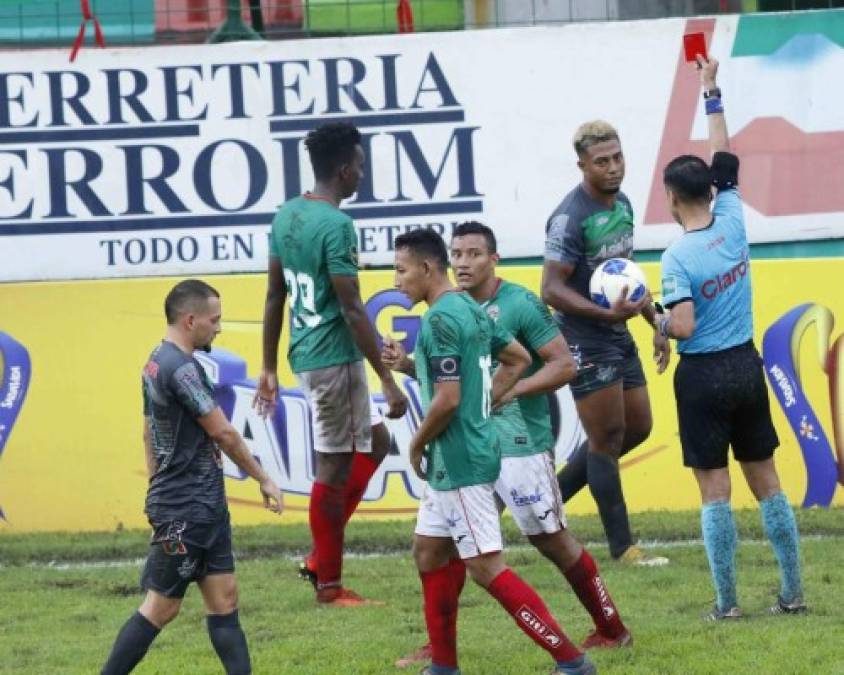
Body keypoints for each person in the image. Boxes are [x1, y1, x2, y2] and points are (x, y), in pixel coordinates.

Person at [389, 222, 631, 668]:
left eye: (473, 253)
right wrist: (409, 365)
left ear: (493, 258)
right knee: (431, 549)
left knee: (529, 548)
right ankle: (441, 657)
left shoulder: (506, 305)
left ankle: (597, 639)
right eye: (457, 253)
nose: (464, 261)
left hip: (509, 447)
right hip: (470, 446)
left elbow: (557, 365)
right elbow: (478, 373)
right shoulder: (464, 310)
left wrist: (499, 397)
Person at [655, 55, 805, 620]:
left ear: (672, 198)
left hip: (702, 376)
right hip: (746, 365)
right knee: (767, 483)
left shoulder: (676, 256)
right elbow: (725, 154)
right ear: (711, 192)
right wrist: (711, 91)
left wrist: (654, 318)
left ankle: (727, 604)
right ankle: (792, 592)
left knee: (715, 492)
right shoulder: (734, 217)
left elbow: (685, 324)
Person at [253, 122, 407, 606]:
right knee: (334, 468)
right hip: (332, 358)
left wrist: (269, 366)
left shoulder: (287, 215)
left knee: (376, 442)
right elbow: (352, 307)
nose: (362, 173)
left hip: (306, 351)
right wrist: (387, 378)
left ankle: (322, 558)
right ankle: (330, 586)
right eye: (359, 165)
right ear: (344, 171)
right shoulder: (337, 226)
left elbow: (275, 294)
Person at [101, 279, 284, 675]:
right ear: (190, 320)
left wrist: (156, 485)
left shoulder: (155, 360)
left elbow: (149, 430)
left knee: (225, 600)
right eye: (214, 320)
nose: (218, 327)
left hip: (201, 505)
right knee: (160, 607)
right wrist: (263, 478)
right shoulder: (180, 369)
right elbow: (222, 432)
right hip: (188, 508)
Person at [541, 120, 670, 566]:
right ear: (582, 165)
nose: (613, 168)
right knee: (606, 438)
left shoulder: (625, 204)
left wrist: (655, 321)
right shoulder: (569, 218)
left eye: (617, 158)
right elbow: (551, 290)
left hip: (618, 330)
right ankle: (623, 547)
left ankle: (544, 500)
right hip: (583, 337)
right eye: (602, 161)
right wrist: (605, 315)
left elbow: (626, 274)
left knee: (637, 428)